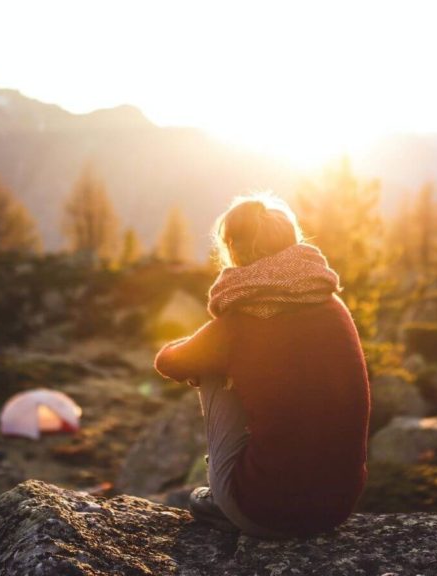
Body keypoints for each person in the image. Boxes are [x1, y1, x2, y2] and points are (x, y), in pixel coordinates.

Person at [153, 193, 370, 538]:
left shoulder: (241, 319)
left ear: (234, 250)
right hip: (336, 508)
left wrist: (213, 349)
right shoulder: (332, 304)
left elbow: (169, 362)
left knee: (209, 366)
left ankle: (224, 490)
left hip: (263, 513)